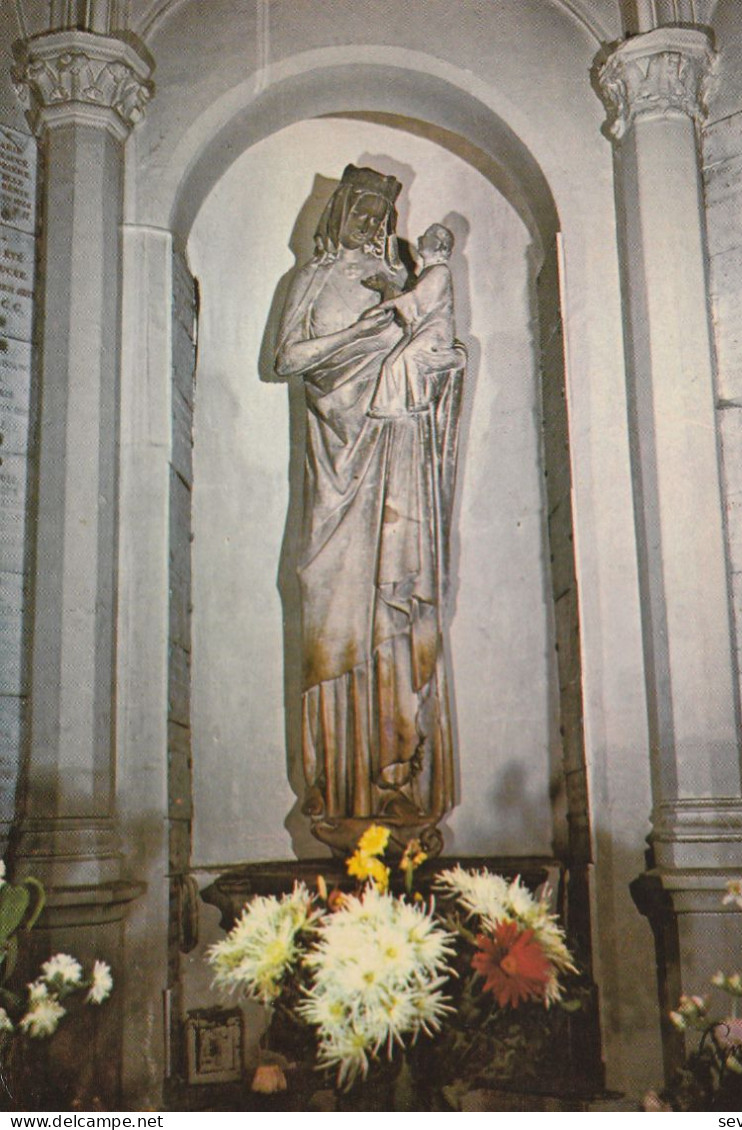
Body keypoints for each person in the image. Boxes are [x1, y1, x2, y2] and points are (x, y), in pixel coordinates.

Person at [274, 166, 465, 855]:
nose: (371, 224)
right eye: (359, 209)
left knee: (395, 610)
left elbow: (438, 355)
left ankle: (395, 780)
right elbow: (288, 358)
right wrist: (369, 330)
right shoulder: (315, 281)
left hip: (395, 467)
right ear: (338, 213)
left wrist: (414, 326)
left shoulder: (402, 285)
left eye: (380, 214)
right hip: (336, 479)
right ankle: (337, 786)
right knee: (328, 614)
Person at [368, 223, 461, 417]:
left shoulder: (440, 271)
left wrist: (385, 305)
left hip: (436, 330)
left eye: (426, 237)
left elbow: (417, 299)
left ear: (440, 246)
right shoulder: (427, 272)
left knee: (410, 356)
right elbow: (413, 300)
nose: (420, 239)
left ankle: (418, 401)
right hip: (420, 329)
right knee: (391, 362)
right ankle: (387, 406)